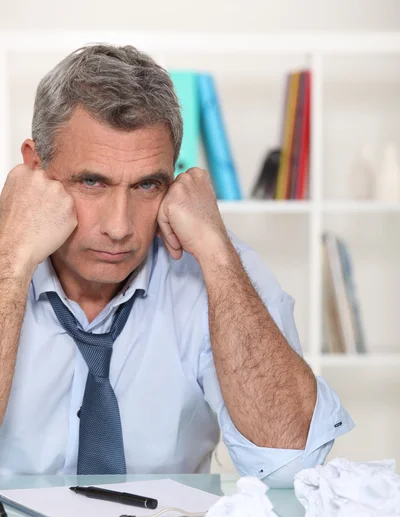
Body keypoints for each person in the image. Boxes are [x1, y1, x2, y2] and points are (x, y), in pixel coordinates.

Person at [0, 44, 354, 485]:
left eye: (147, 185)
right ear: (35, 167)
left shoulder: (220, 267)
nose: (119, 226)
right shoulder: (4, 258)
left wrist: (217, 253)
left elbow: (293, 465)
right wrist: (12, 262)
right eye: (92, 182)